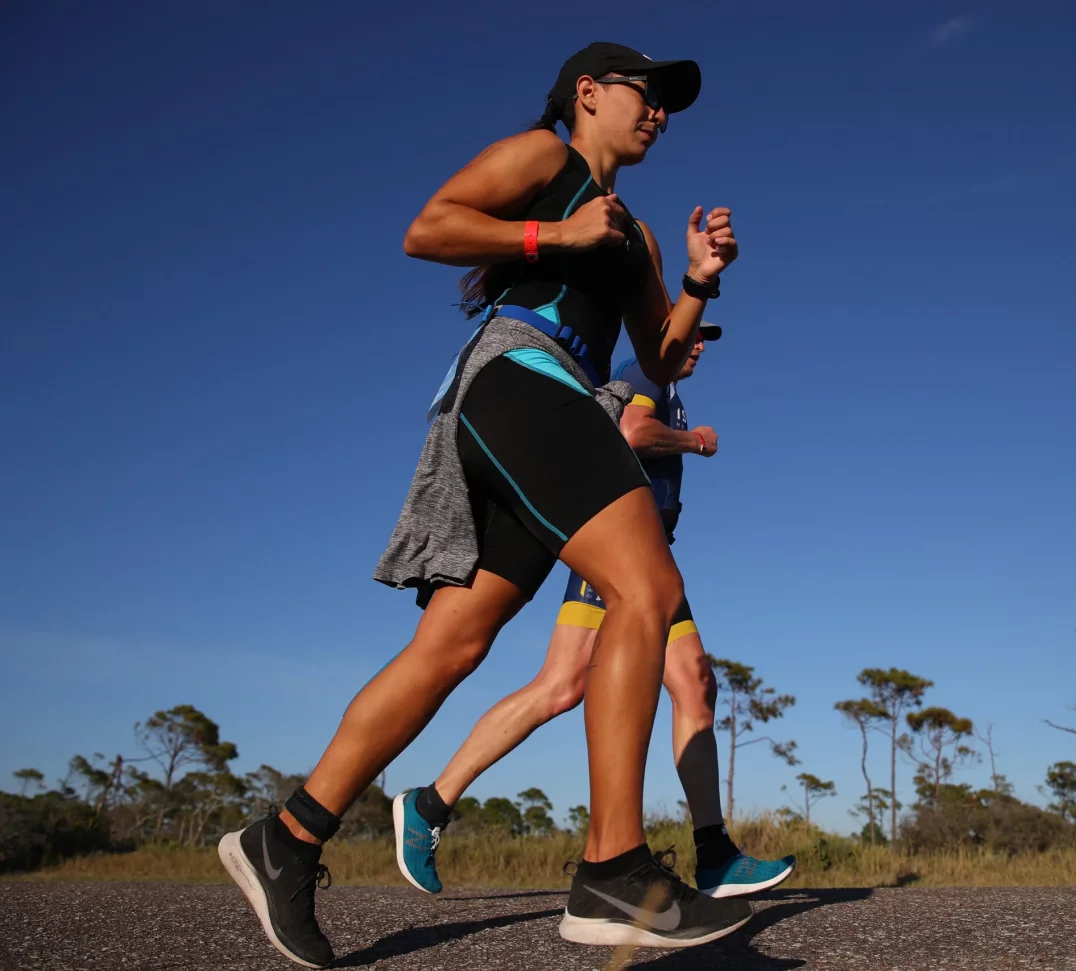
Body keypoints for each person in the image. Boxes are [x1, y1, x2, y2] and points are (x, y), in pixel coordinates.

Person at [218, 42, 751, 966]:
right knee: (647, 591)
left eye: (670, 102)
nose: (660, 109)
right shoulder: (546, 160)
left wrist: (700, 279)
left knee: (453, 644)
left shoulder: (640, 232)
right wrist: (556, 237)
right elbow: (429, 228)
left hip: (559, 397)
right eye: (646, 91)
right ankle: (613, 869)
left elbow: (659, 359)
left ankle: (288, 838)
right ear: (588, 93)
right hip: (517, 377)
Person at [391, 323, 796, 901]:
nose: (700, 345)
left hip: (646, 556)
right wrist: (695, 442)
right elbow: (629, 432)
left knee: (679, 682)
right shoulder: (643, 375)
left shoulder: (665, 389)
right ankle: (429, 805)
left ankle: (714, 855)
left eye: (706, 338)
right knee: (572, 686)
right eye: (692, 336)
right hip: (623, 556)